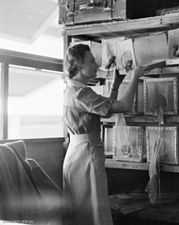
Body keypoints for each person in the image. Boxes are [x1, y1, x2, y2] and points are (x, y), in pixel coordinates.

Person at [63, 43, 156, 225]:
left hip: (77, 153)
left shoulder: (72, 89)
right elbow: (123, 106)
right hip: (86, 155)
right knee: (94, 210)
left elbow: (106, 107)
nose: (96, 65)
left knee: (83, 210)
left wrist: (116, 82)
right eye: (91, 61)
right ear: (79, 65)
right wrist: (135, 76)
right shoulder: (82, 93)